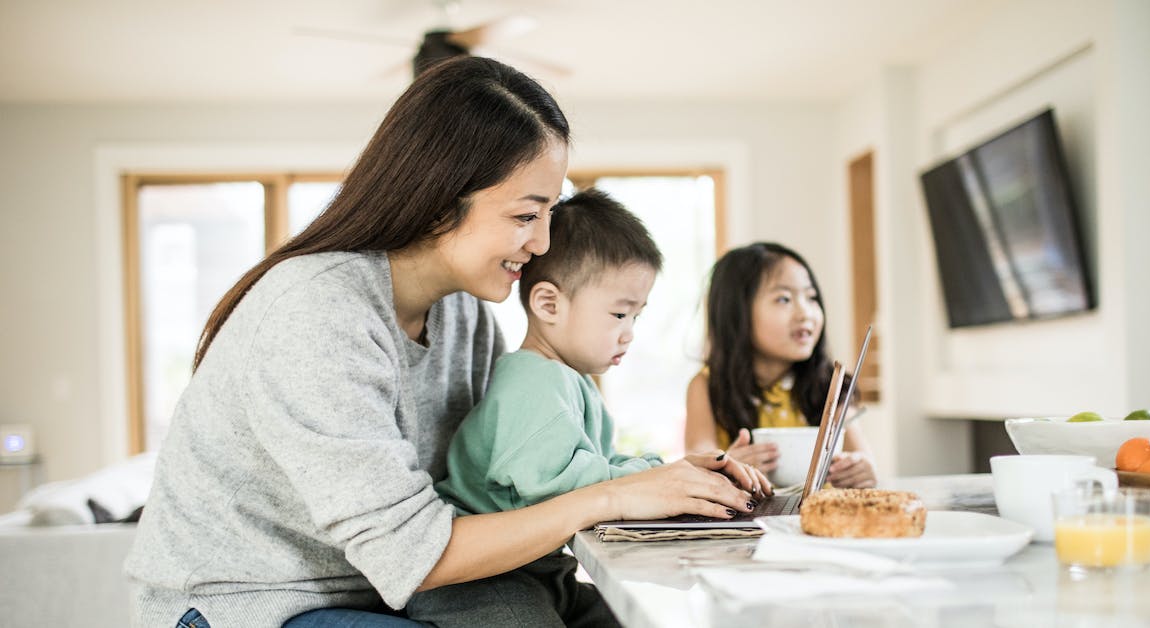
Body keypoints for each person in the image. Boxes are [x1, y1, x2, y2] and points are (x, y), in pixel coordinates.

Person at [123, 57, 760, 628]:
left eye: (547, 213)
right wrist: (616, 494)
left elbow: (488, 488)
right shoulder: (314, 312)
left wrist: (664, 482)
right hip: (249, 603)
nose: (542, 244)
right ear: (437, 203)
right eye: (524, 214)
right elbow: (415, 554)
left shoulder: (464, 315)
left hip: (382, 591)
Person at [404, 189, 772, 627]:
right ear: (548, 304)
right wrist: (652, 481)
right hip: (476, 583)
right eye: (619, 314)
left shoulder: (569, 380)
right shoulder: (533, 381)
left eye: (637, 316)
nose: (630, 332)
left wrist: (669, 474)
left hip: (535, 571)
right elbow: (554, 486)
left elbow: (599, 465)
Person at [683, 242, 878, 489]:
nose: (805, 313)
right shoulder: (706, 386)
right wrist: (725, 468)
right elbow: (696, 467)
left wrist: (862, 471)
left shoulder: (829, 384)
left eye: (811, 297)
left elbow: (863, 458)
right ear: (737, 313)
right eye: (784, 299)